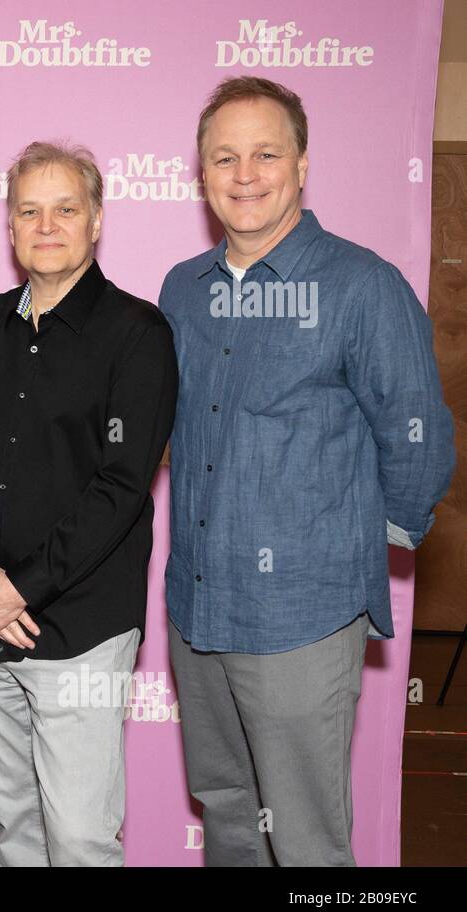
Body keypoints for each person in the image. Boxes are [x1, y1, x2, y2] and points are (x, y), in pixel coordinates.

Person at [159, 76, 455, 865]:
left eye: (265, 153)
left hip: (303, 614)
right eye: (224, 157)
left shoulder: (364, 287)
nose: (244, 174)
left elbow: (418, 435)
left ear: (302, 165)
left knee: (306, 837)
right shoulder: (180, 291)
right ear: (202, 172)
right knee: (226, 812)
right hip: (197, 605)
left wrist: (358, 547)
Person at [0, 141, 178, 866]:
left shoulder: (137, 335)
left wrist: (18, 587)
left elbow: (120, 487)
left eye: (65, 208)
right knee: (17, 833)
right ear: (10, 226)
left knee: (80, 839)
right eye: (29, 210)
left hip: (80, 629)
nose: (46, 225)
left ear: (96, 221)